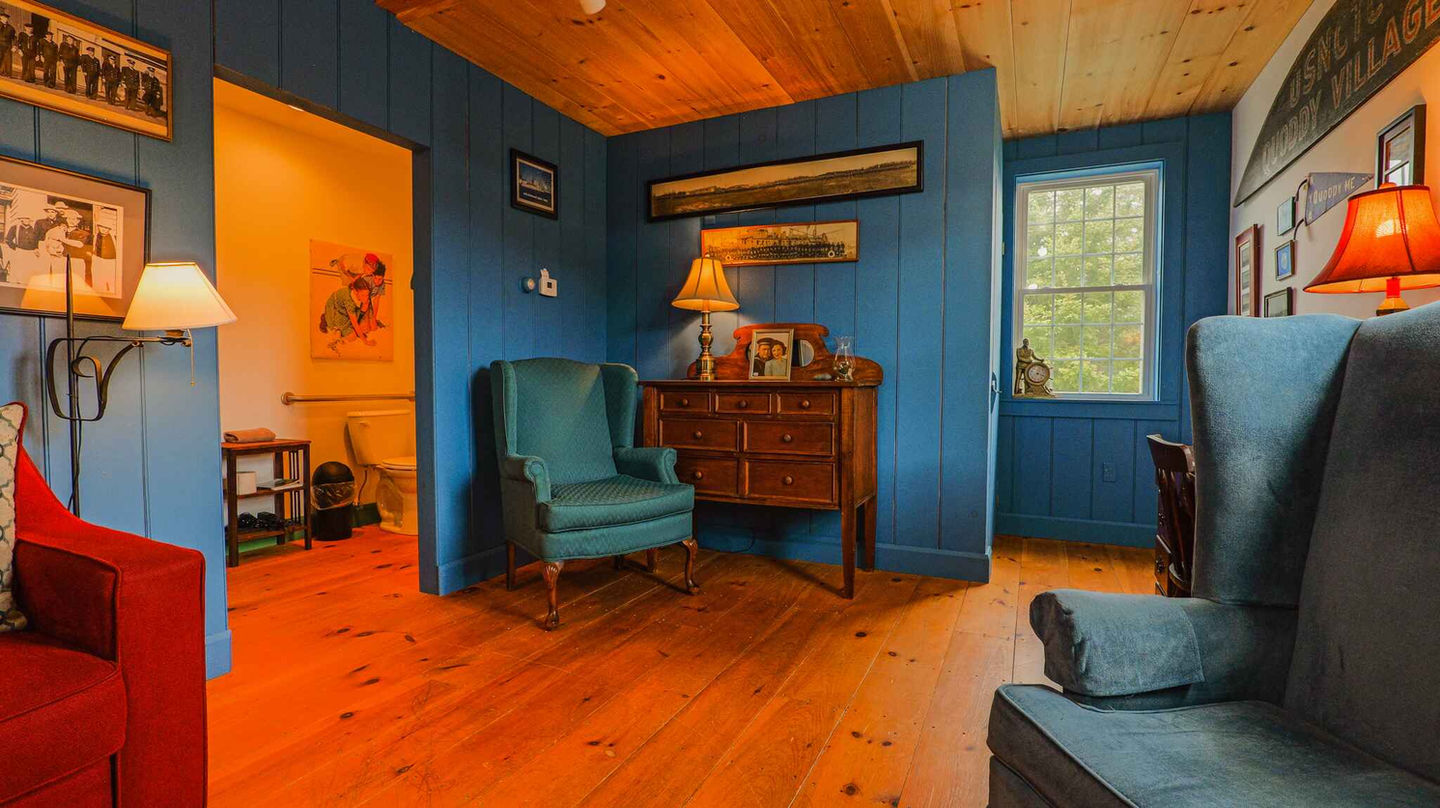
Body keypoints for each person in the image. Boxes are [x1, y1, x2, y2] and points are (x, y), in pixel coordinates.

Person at [318, 278, 375, 354]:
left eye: (367, 295)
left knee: (364, 329)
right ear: (355, 292)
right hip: (335, 310)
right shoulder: (349, 300)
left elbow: (366, 316)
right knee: (352, 337)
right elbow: (355, 323)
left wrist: (365, 307)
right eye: (363, 295)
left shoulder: (361, 297)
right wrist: (365, 341)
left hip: (345, 310)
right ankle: (326, 319)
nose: (365, 298)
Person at [0, 13, 15, 80]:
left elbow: (14, 37)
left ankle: (7, 73)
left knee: (8, 59)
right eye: (4, 18)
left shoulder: (11, 28)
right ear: (0, 18)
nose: (5, 19)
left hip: (7, 45)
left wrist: (14, 46)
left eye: (7, 18)